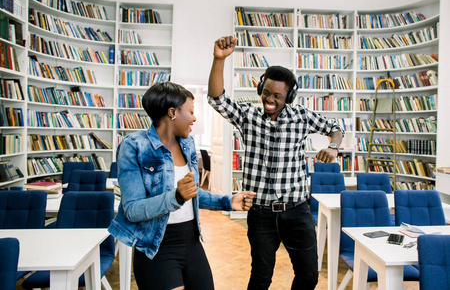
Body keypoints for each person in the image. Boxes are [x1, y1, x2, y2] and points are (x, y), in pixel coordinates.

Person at [208, 36, 345, 290]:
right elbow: (217, 99)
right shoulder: (248, 115)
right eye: (266, 92)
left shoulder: (302, 116)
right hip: (260, 214)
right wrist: (219, 59)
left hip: (297, 211)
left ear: (290, 96)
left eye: (278, 96)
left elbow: (336, 128)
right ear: (261, 88)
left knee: (308, 276)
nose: (270, 99)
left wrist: (334, 146)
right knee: (261, 277)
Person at [108, 81, 256, 290]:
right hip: (156, 246)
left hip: (192, 242)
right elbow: (132, 210)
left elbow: (191, 194)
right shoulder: (134, 146)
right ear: (172, 112)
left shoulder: (187, 143)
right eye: (191, 111)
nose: (194, 118)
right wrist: (175, 197)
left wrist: (228, 201)